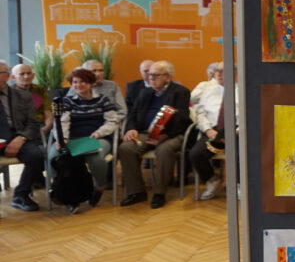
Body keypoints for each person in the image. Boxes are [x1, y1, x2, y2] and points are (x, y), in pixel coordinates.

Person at [118, 61, 192, 209]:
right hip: (145, 133)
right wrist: (131, 129)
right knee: (126, 148)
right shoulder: (145, 92)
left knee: (165, 150)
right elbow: (133, 114)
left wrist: (165, 135)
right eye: (150, 74)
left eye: (156, 75)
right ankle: (136, 192)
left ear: (168, 77)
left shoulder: (180, 92)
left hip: (171, 134)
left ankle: (159, 193)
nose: (151, 77)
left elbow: (182, 119)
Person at [50, 68, 122, 210]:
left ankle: (100, 186)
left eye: (82, 81)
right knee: (54, 156)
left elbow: (112, 121)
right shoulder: (67, 101)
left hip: (97, 137)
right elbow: (62, 122)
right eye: (75, 82)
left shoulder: (103, 100)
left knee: (95, 158)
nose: (78, 85)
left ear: (91, 83)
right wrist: (62, 139)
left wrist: (99, 132)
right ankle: (64, 190)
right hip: (72, 139)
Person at [0, 60, 45, 212]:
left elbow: (33, 123)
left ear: (7, 75)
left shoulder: (23, 96)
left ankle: (21, 194)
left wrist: (21, 138)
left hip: (18, 136)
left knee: (37, 155)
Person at [189, 62, 230, 199]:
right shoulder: (207, 91)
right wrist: (207, 130)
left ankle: (238, 183)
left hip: (235, 131)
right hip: (212, 130)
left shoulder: (242, 90)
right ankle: (212, 179)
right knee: (195, 154)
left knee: (242, 153)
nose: (218, 74)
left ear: (235, 72)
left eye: (223, 71)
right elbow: (200, 114)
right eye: (217, 71)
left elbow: (246, 113)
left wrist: (237, 130)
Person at [10, 63, 53, 135]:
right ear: (13, 77)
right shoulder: (9, 92)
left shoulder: (40, 90)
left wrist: (47, 127)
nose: (26, 76)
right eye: (22, 74)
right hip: (19, 129)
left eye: (29, 73)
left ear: (33, 76)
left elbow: (48, 112)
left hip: (40, 126)